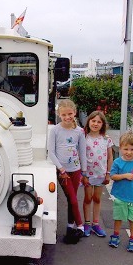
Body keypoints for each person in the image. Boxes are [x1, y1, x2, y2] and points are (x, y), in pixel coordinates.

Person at [48, 99, 87, 244]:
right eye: (64, 115)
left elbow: (82, 152)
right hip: (63, 171)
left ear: (75, 113)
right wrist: (61, 169)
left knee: (73, 199)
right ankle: (81, 226)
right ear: (59, 115)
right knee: (73, 199)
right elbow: (51, 152)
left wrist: (84, 171)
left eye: (70, 114)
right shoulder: (55, 130)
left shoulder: (80, 131)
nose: (67, 117)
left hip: (75, 170)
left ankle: (70, 226)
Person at [82, 111, 114, 238]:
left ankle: (96, 223)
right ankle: (87, 223)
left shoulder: (106, 139)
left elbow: (110, 157)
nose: (95, 124)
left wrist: (108, 173)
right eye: (93, 121)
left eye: (99, 122)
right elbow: (81, 156)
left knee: (97, 198)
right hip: (88, 174)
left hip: (101, 174)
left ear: (103, 124)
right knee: (87, 198)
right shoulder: (84, 138)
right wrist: (83, 175)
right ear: (88, 122)